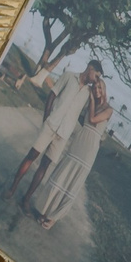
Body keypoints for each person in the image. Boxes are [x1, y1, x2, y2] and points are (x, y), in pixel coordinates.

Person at [0, 57, 100, 222]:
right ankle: (12, 188)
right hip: (51, 125)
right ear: (90, 68)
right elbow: (52, 95)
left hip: (62, 135)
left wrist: (95, 94)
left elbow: (88, 117)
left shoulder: (88, 94)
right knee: (31, 156)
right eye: (96, 74)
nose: (96, 79)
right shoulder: (69, 76)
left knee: (44, 166)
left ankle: (26, 200)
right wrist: (46, 118)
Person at [32, 76, 116, 231]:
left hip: (89, 149)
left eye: (99, 88)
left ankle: (53, 218)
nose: (97, 91)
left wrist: (91, 99)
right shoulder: (90, 105)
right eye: (95, 88)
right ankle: (45, 211)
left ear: (104, 90)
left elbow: (93, 119)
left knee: (72, 183)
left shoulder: (109, 109)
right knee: (62, 176)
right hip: (78, 143)